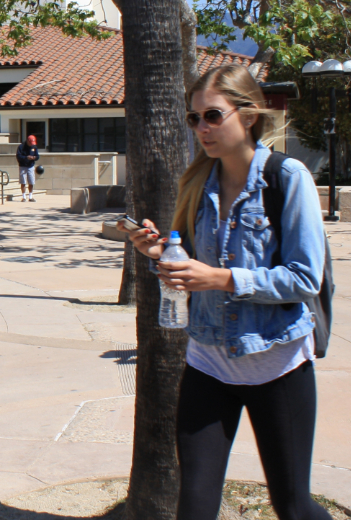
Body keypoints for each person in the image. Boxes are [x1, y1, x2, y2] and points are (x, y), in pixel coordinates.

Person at [126, 64, 332, 520]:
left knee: (293, 506)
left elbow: (304, 279)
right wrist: (158, 250)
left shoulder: (286, 177)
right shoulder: (199, 181)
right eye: (194, 118)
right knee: (195, 508)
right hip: (208, 361)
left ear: (249, 115)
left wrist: (221, 278)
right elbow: (186, 260)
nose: (202, 128)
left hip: (277, 360)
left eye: (213, 116)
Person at [16, 134, 41, 202]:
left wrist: (34, 158)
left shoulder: (34, 147)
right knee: (23, 181)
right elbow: (18, 156)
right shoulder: (21, 147)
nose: (31, 144)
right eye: (30, 143)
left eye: (33, 143)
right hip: (23, 166)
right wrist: (26, 157)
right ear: (27, 141)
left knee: (31, 181)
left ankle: (30, 196)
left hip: (31, 166)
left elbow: (37, 156)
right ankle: (24, 197)